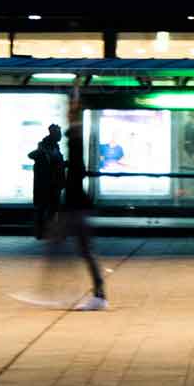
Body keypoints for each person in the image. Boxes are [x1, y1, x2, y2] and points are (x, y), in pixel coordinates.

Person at [57, 119, 107, 310]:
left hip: (75, 208)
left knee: (84, 250)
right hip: (75, 207)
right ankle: (97, 293)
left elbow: (75, 155)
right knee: (83, 251)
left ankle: (99, 295)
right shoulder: (75, 163)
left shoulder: (76, 161)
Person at [27, 123, 65, 238]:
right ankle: (41, 231)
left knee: (52, 208)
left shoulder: (55, 146)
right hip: (46, 184)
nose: (60, 136)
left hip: (54, 183)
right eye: (58, 133)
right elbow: (32, 155)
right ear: (53, 134)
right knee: (43, 207)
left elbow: (57, 163)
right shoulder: (44, 146)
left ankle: (48, 231)